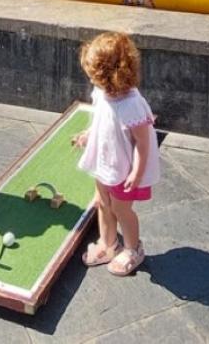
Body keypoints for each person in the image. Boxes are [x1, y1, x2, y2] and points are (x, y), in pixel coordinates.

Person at [71, 32, 160, 277]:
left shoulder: (131, 104)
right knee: (102, 203)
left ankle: (133, 249)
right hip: (105, 162)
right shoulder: (102, 92)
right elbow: (101, 119)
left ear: (106, 76)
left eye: (92, 75)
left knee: (121, 210)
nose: (90, 80)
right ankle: (108, 244)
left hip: (123, 167)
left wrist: (137, 172)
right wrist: (89, 134)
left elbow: (143, 143)